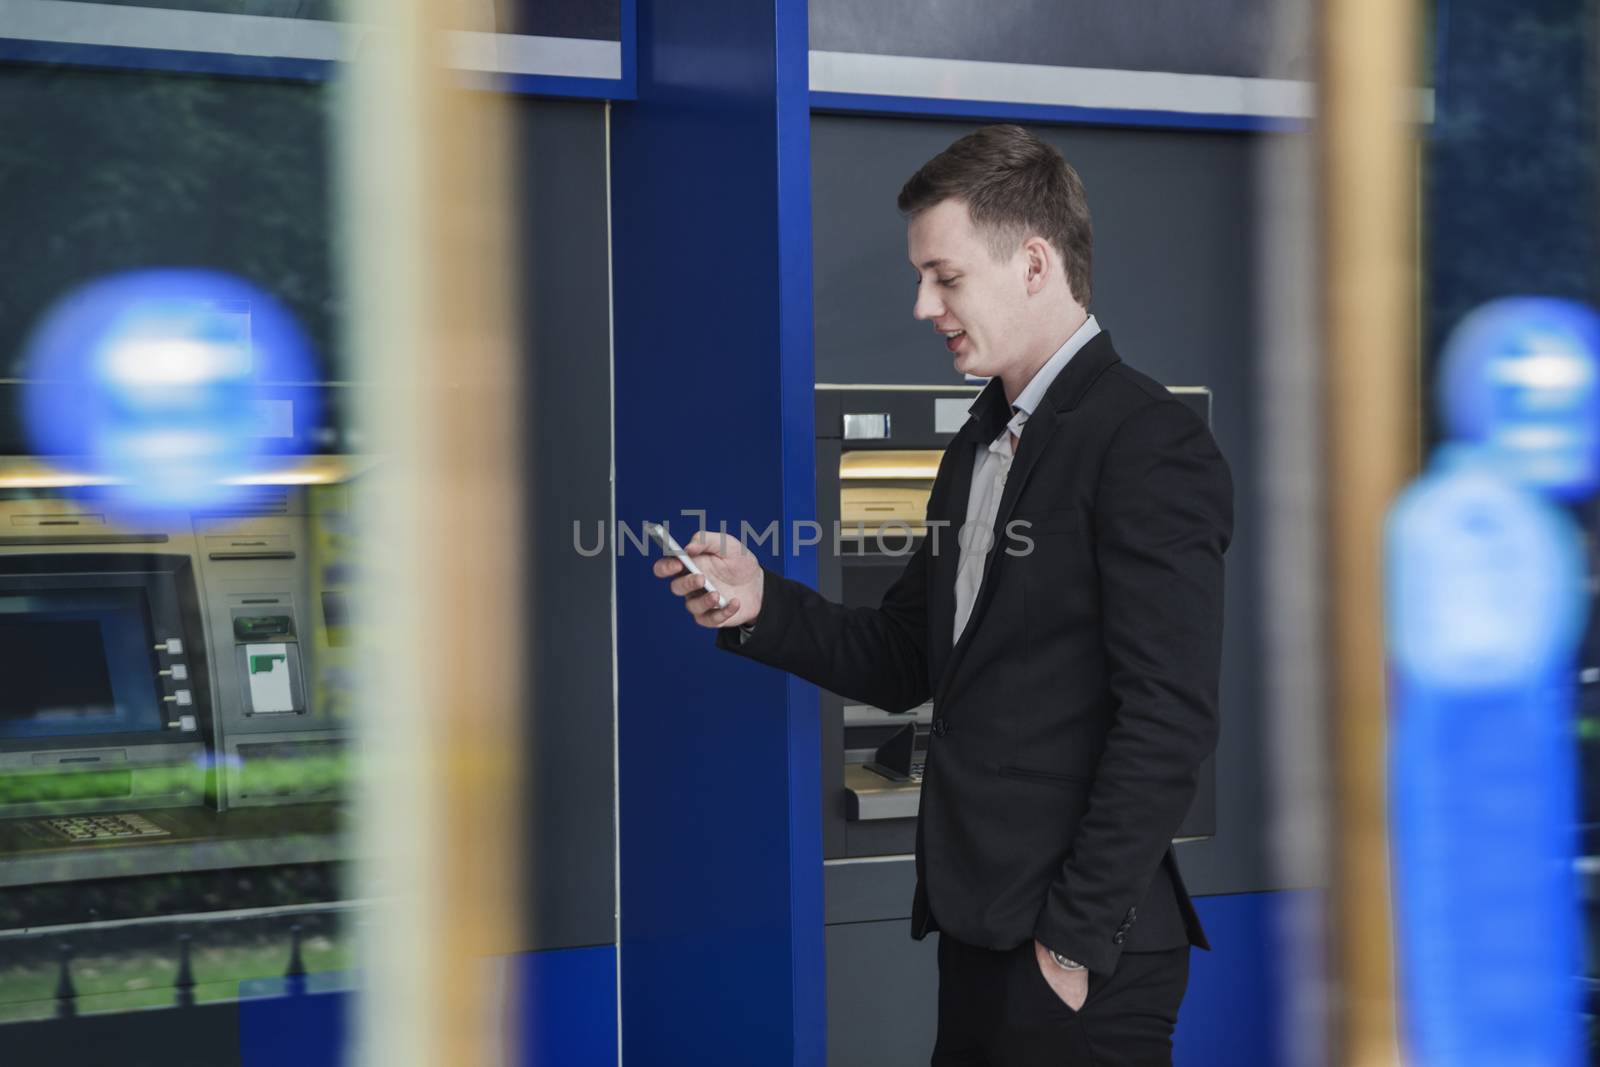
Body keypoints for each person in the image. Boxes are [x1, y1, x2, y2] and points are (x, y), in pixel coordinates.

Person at [652, 123, 1232, 1066]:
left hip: (1077, 950)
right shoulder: (978, 445)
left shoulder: (1147, 444)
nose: (925, 305)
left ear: (1035, 263)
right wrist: (762, 602)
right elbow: (907, 655)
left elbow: (1167, 718)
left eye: (945, 276)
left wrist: (1071, 943)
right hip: (980, 925)